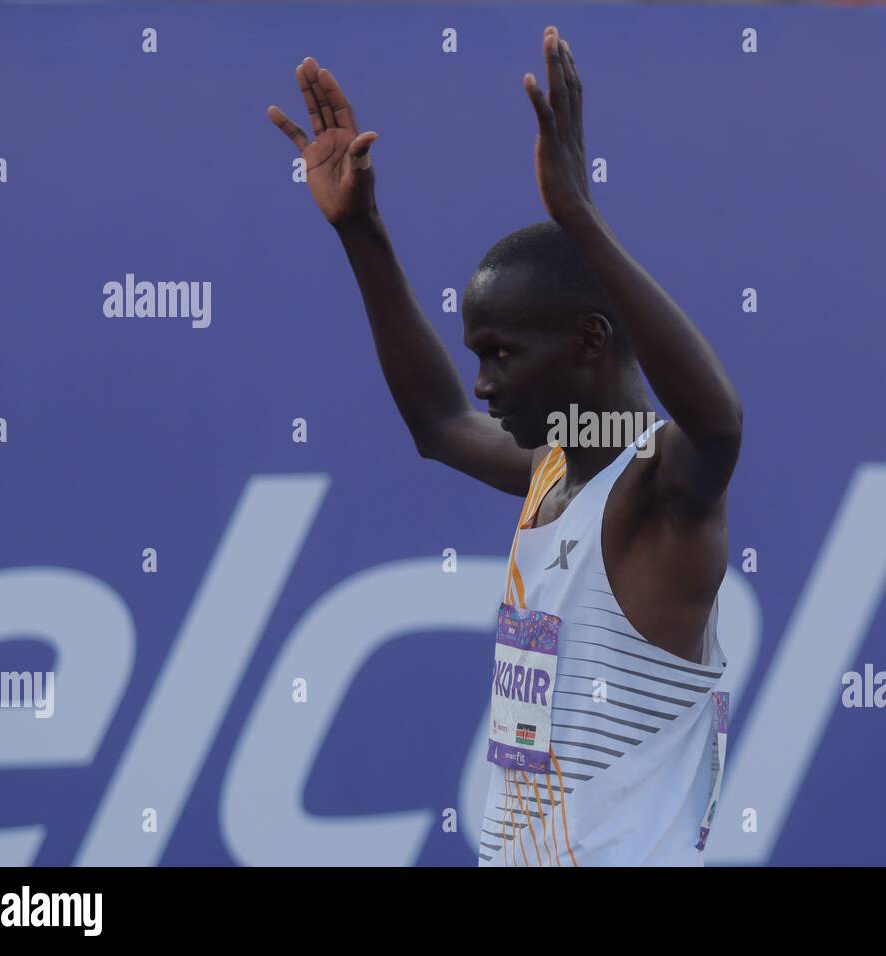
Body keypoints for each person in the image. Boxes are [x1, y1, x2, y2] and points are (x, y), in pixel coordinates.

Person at [267, 24, 742, 866]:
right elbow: (439, 424)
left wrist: (581, 218)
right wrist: (361, 230)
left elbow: (719, 424)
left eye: (500, 354)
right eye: (477, 356)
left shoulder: (660, 495)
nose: (484, 383)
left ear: (591, 341)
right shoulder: (554, 468)